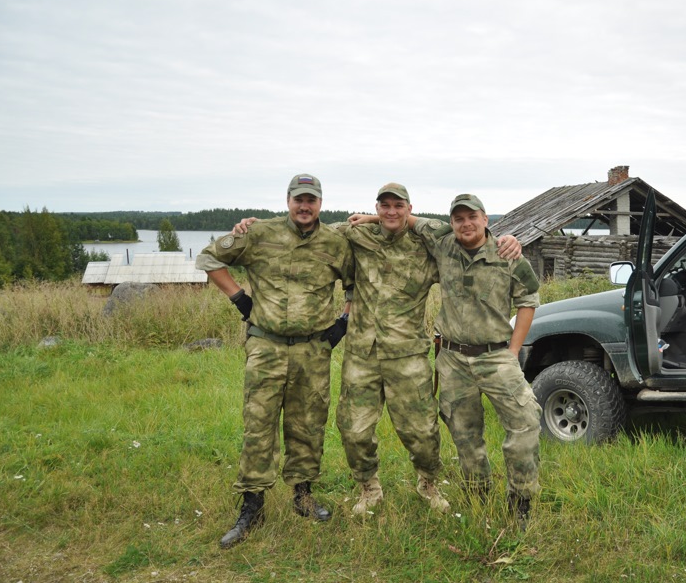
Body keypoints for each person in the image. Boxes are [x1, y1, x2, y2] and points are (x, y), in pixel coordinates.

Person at [234, 184, 521, 517]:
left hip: (408, 355)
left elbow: (459, 231)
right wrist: (254, 226)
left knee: (422, 431)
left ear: (409, 209)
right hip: (362, 355)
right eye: (383, 206)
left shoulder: (425, 246)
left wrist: (505, 238)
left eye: (398, 206)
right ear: (376, 207)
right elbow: (308, 228)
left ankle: (428, 483)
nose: (391, 212)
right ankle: (368, 487)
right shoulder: (357, 236)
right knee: (354, 429)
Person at [351, 193, 541, 527]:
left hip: (497, 356)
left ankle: (521, 498)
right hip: (452, 358)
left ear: (486, 219)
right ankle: (477, 496)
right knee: (466, 436)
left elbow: (528, 300)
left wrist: (513, 351)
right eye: (459, 219)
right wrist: (371, 218)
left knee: (525, 423)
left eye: (472, 217)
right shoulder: (442, 242)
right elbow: (407, 219)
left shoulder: (507, 254)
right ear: (451, 222)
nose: (465, 224)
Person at [196, 174, 354, 549]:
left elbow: (355, 282)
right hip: (265, 347)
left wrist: (343, 323)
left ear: (320, 203)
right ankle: (252, 506)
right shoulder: (258, 233)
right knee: (258, 424)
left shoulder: (335, 242)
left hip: (312, 351)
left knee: (308, 423)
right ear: (287, 201)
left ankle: (303, 497)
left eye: (311, 200)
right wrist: (240, 299)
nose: (305, 206)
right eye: (298, 199)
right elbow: (208, 256)